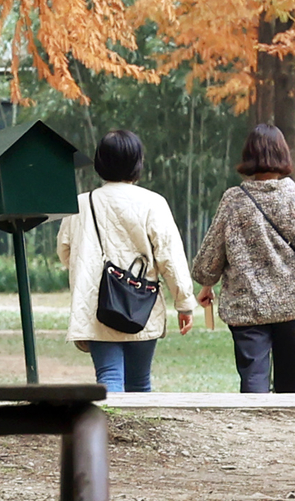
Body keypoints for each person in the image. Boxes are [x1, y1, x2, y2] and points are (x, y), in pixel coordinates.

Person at [192, 123, 295, 392]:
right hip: (293, 306)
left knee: (253, 377)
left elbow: (213, 249)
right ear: (282, 155)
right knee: (293, 381)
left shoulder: (234, 200)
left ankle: (255, 430)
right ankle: (289, 432)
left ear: (249, 156)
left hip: (247, 307)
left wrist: (206, 285)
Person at [69, 129, 203, 392]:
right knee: (140, 382)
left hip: (98, 305)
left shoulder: (80, 205)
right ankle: (139, 433)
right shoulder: (153, 203)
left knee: (108, 375)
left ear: (100, 162)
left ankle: (110, 431)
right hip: (142, 305)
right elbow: (171, 257)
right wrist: (184, 304)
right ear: (137, 162)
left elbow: (66, 253)